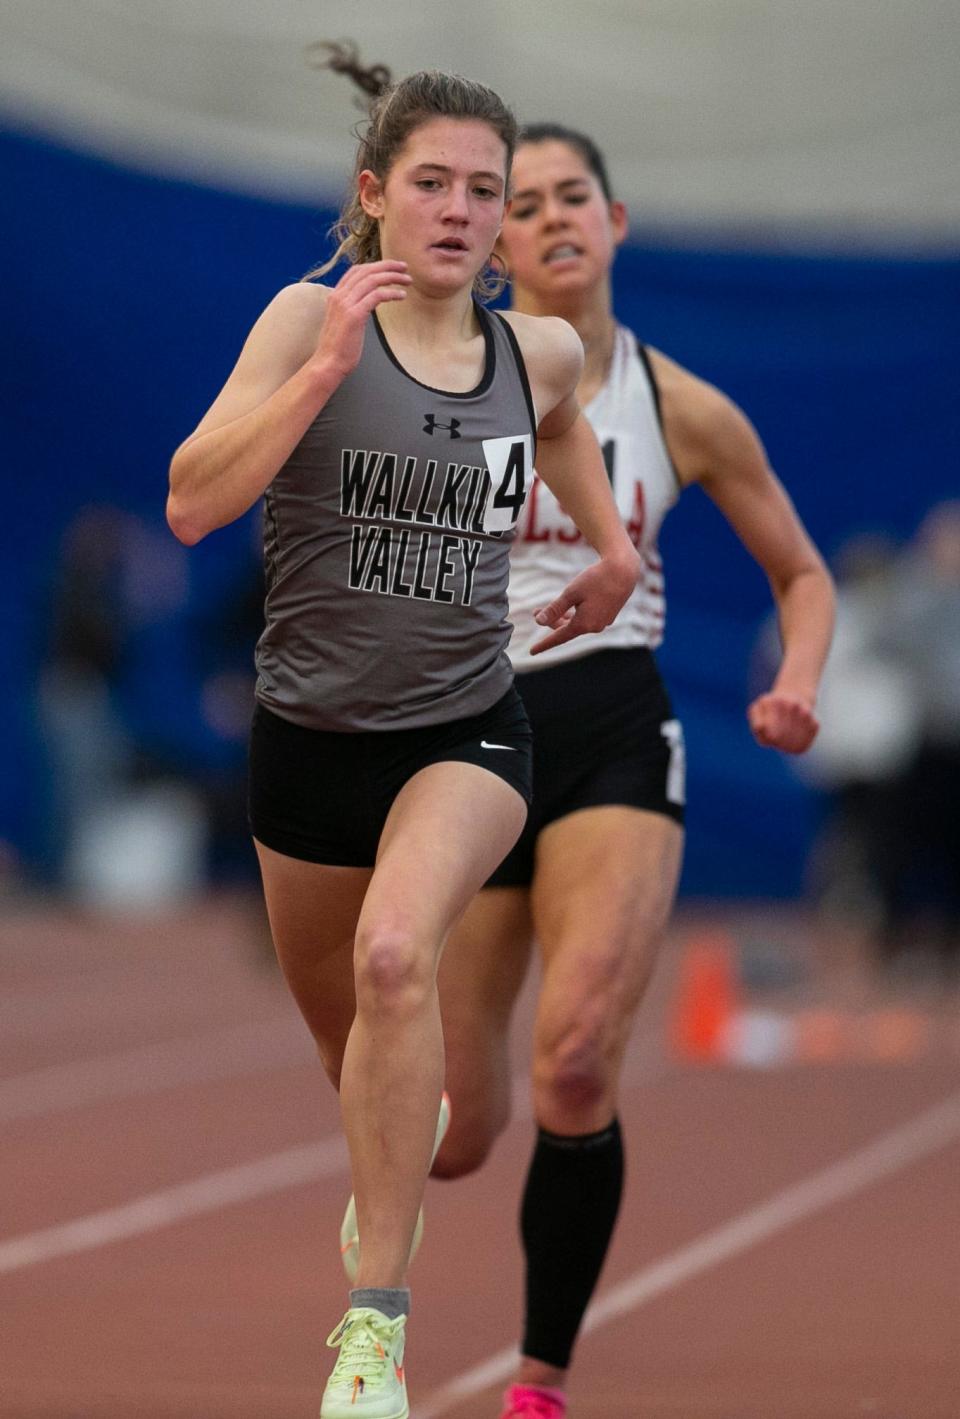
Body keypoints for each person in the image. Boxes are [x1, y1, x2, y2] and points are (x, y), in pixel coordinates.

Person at [166, 65, 640, 1419]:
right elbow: (194, 502)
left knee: (396, 956)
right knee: (363, 1069)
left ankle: (371, 1334)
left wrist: (606, 551)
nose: (459, 209)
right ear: (374, 195)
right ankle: (395, 1133)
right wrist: (319, 373)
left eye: (483, 190)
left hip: (468, 733)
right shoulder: (308, 319)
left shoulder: (534, 350)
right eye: (429, 181)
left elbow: (559, 430)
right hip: (308, 743)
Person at [429, 124, 836, 1419]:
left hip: (614, 721)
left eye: (571, 199)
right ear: (497, 239)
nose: (550, 219)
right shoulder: (452, 375)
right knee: (460, 1128)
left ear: (616, 222)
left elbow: (805, 572)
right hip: (470, 731)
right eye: (525, 202)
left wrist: (796, 683)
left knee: (577, 1060)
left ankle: (540, 1379)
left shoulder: (684, 407)